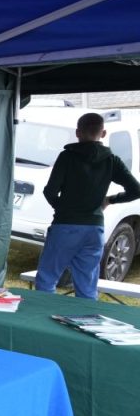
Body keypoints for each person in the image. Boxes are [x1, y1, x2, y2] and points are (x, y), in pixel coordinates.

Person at [36, 112, 140, 298]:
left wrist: (63, 209)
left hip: (65, 226)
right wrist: (110, 200)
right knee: (87, 285)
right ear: (103, 133)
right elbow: (136, 190)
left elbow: (49, 192)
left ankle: (44, 315)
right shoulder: (112, 160)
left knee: (47, 279)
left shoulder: (67, 157)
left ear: (78, 133)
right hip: (94, 229)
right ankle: (87, 316)